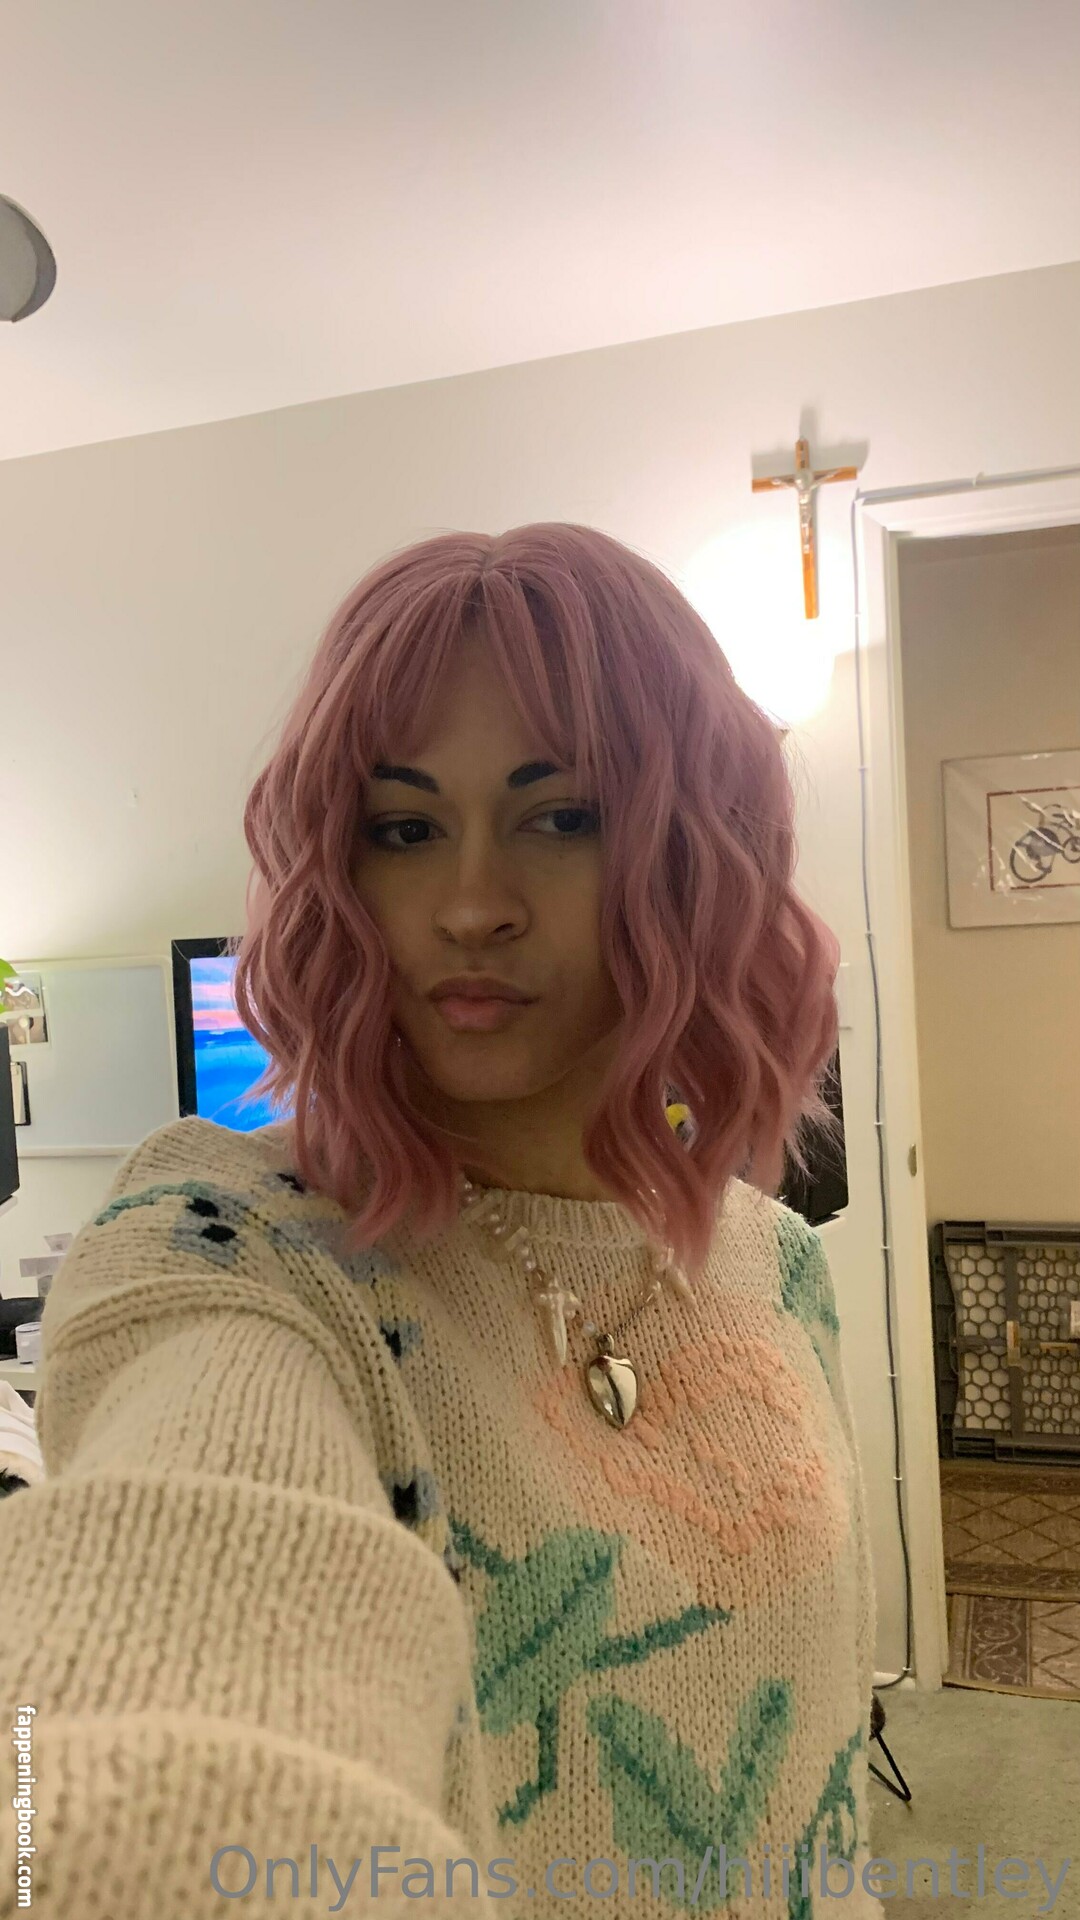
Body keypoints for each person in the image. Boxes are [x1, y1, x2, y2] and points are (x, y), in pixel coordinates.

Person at [0, 523, 878, 1918]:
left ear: (694, 850)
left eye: (562, 816)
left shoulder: (771, 1260)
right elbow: (164, 1648)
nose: (471, 906)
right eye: (405, 829)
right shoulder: (231, 1244)